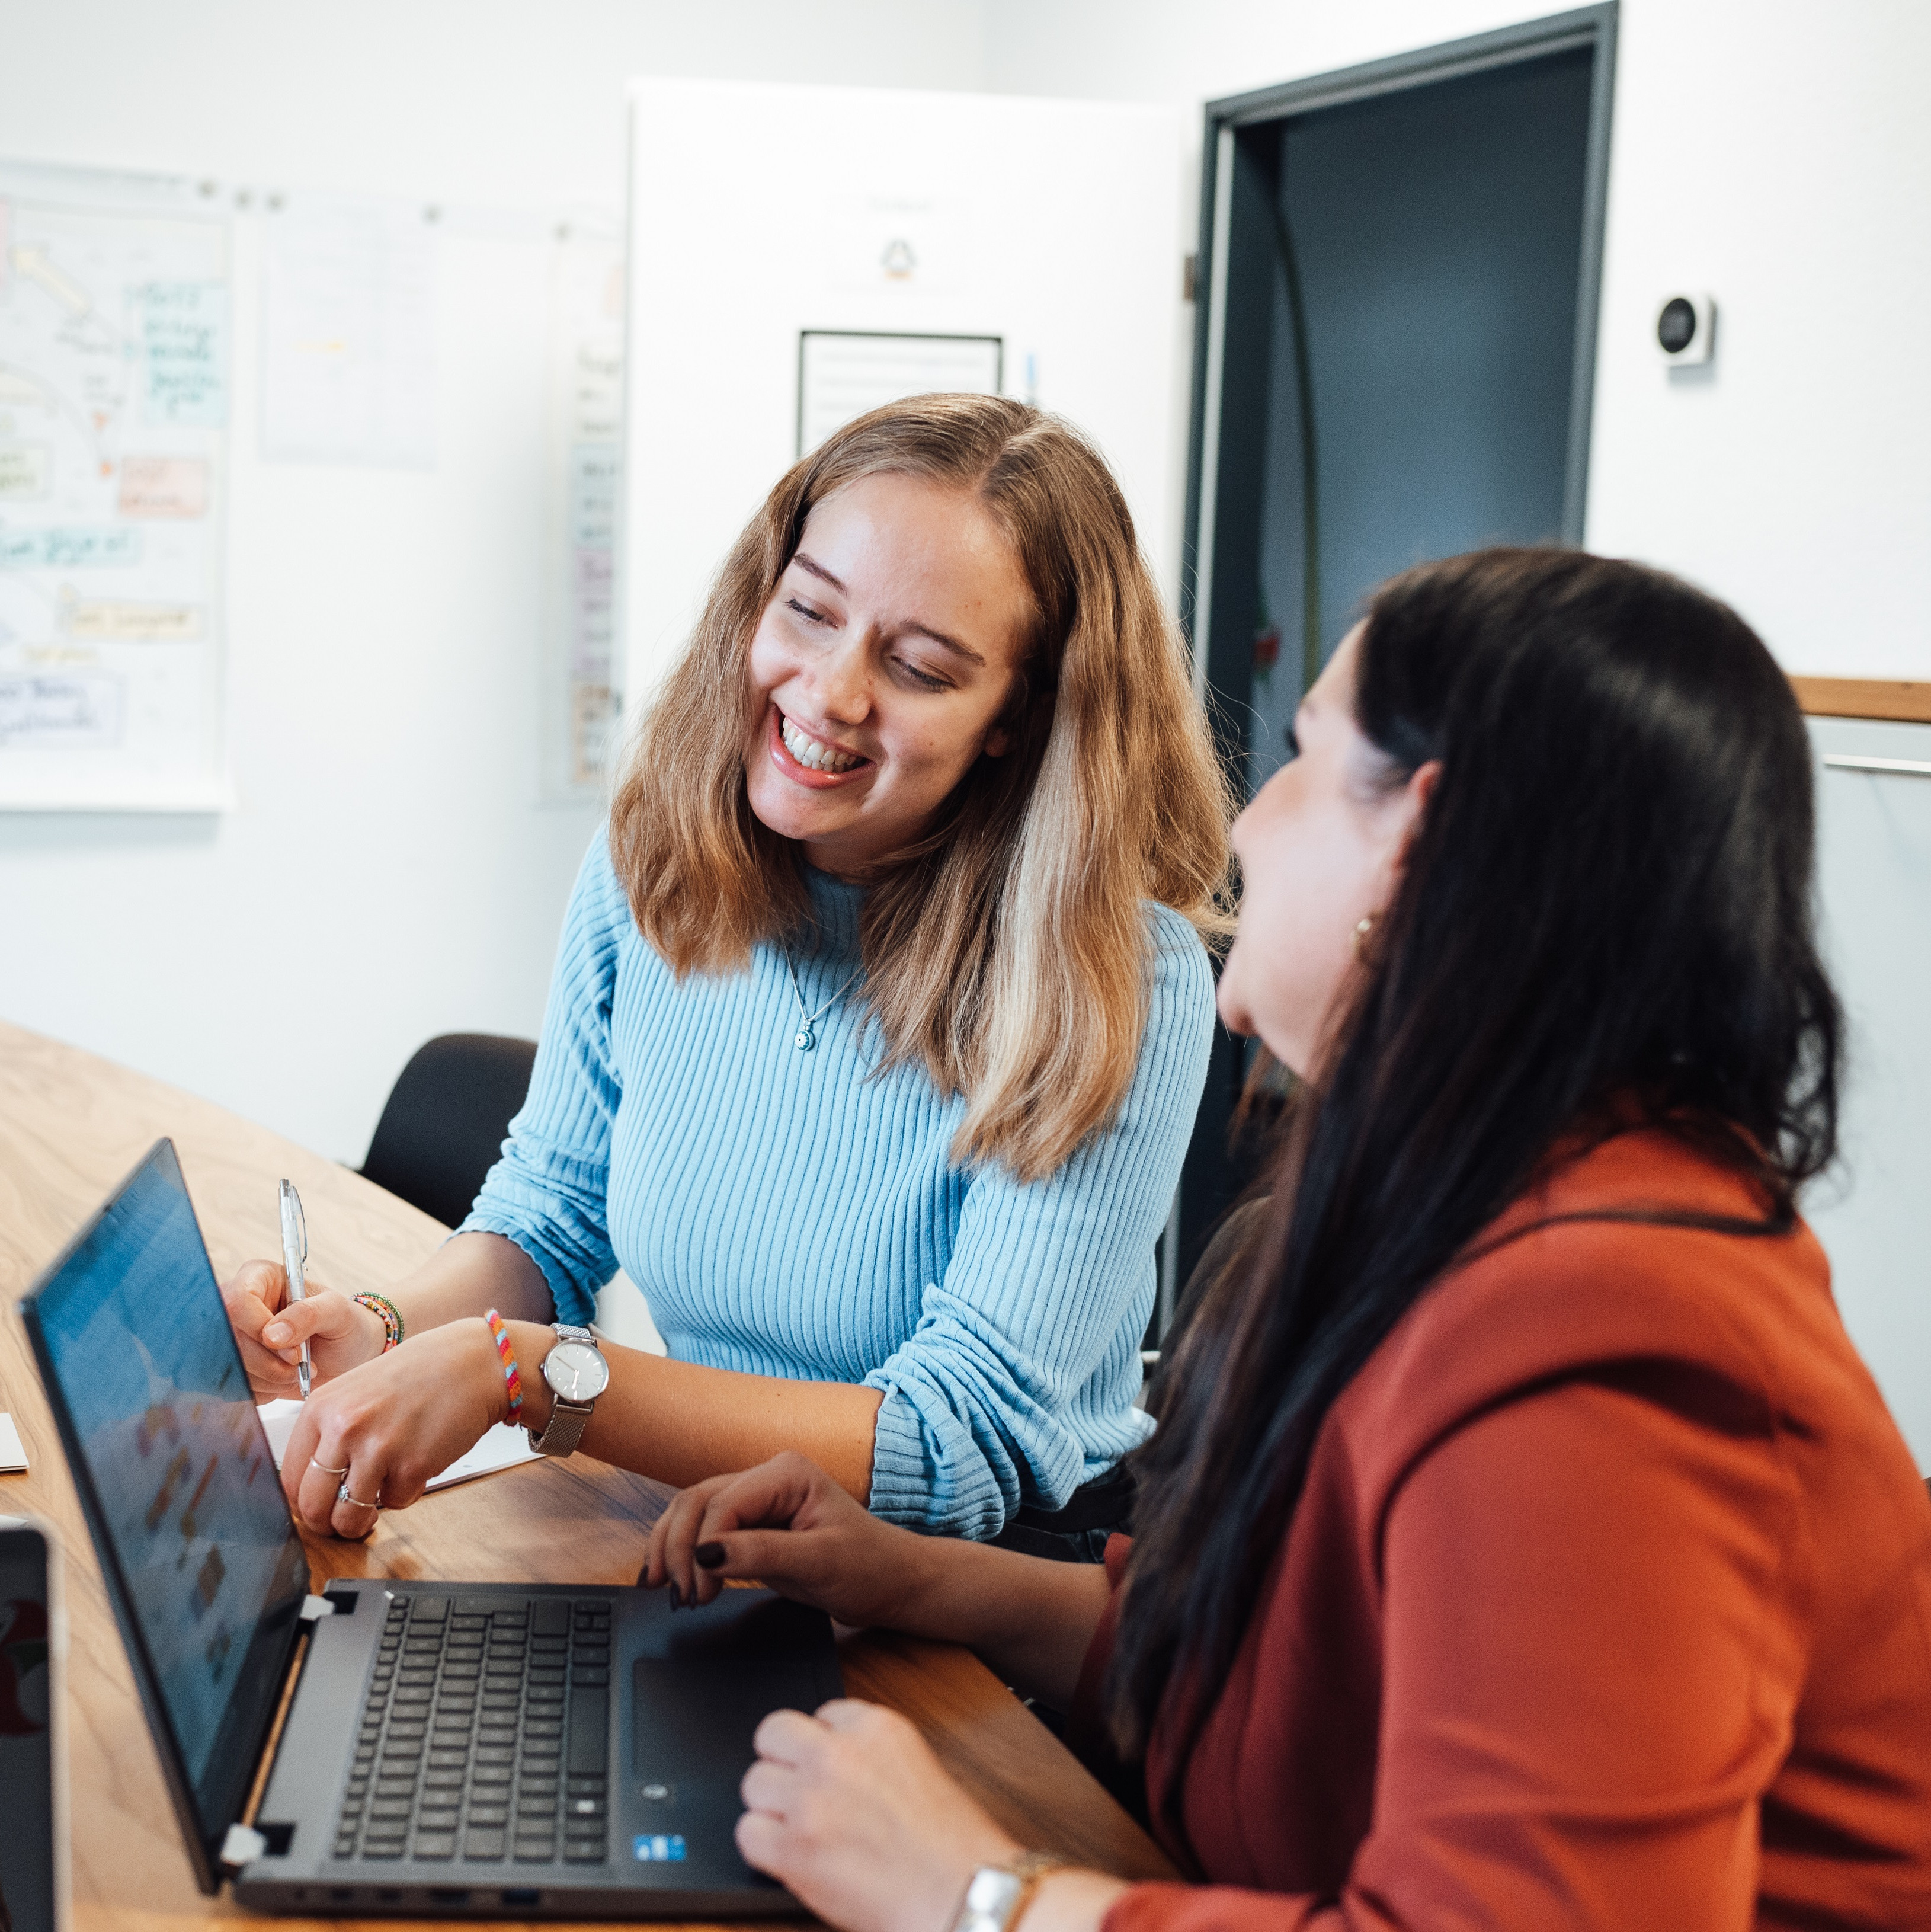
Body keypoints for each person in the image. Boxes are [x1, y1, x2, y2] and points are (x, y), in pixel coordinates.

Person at [641, 549, 1931, 1931]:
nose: (1249, 821)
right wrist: (913, 1575)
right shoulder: (1470, 1199)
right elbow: (1287, 1668)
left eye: (1307, 755)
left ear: (1414, 842)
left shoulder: (1605, 1320)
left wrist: (977, 1896)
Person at [226, 395, 1230, 1553]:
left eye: (916, 666)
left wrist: (534, 1376)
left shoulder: (1117, 977)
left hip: (976, 1592)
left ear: (1021, 714)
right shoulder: (652, 860)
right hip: (709, 1535)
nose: (829, 691)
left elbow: (952, 1448)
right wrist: (385, 1324)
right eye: (807, 610)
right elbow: (548, 1219)